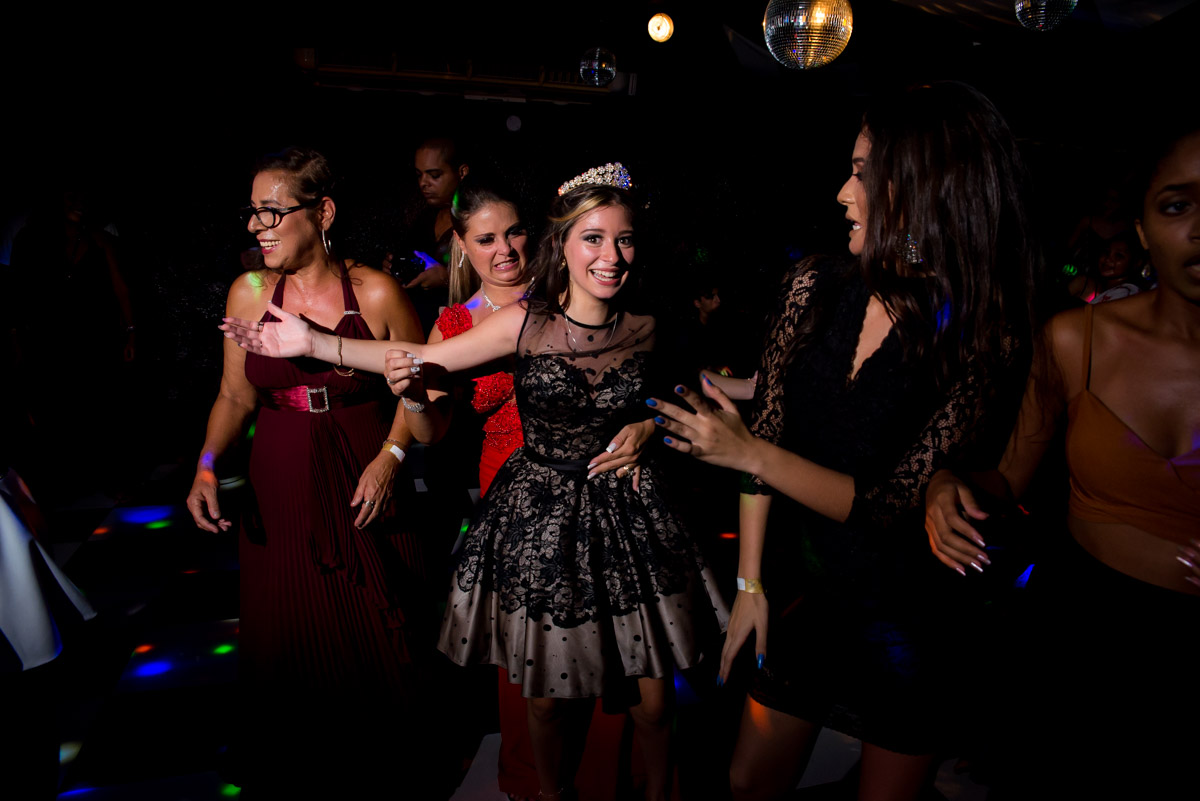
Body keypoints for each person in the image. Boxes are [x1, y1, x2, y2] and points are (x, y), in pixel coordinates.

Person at [221, 167, 728, 801]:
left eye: (514, 233)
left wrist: (651, 424)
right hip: (529, 505)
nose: (505, 250)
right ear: (465, 244)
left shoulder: (631, 316)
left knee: (647, 696)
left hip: (620, 508)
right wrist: (320, 345)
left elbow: (678, 386)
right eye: (486, 239)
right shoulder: (502, 321)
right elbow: (420, 400)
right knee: (547, 693)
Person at [650, 83, 1038, 801]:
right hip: (808, 595)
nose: (841, 191)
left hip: (908, 621)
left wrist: (748, 455)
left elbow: (891, 505)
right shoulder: (817, 285)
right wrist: (751, 581)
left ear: (923, 188)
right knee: (746, 780)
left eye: (861, 172)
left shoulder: (985, 337)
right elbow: (766, 418)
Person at [923, 125, 1200, 796]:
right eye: (1175, 205)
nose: (1199, 227)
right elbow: (1008, 475)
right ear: (1137, 226)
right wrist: (945, 481)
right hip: (1080, 636)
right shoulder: (1076, 339)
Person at [185, 147, 435, 794]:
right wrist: (208, 464)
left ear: (321, 212)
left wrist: (391, 455)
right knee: (290, 628)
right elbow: (235, 396)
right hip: (281, 475)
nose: (255, 225)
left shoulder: (376, 291)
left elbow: (423, 389)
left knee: (378, 623)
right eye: (252, 213)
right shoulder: (249, 291)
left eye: (271, 211)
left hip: (362, 466)